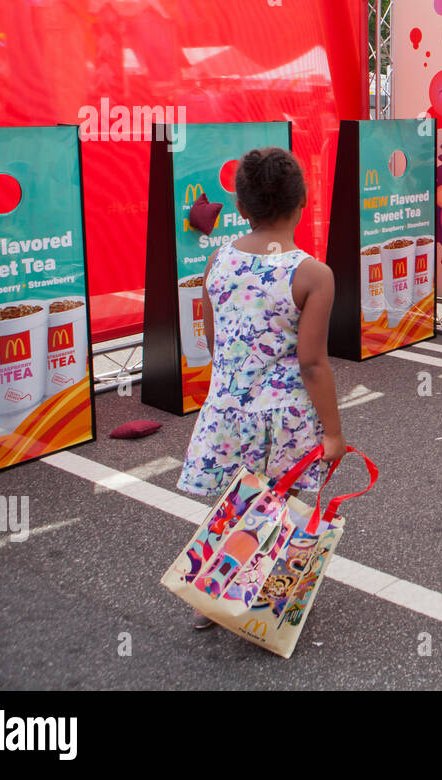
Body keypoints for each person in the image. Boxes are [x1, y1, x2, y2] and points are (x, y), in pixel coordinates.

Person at [178, 147, 347, 628]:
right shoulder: (313, 274)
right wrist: (333, 433)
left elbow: (212, 338)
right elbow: (313, 363)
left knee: (233, 505)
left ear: (240, 208)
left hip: (227, 408)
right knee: (281, 508)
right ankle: (266, 607)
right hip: (285, 420)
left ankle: (211, 597)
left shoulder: (219, 260)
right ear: (303, 203)